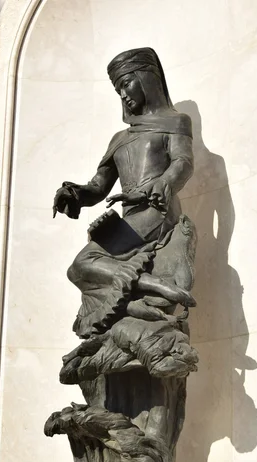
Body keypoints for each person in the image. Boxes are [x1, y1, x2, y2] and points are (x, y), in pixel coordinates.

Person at [53, 47, 195, 339]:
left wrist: (160, 185)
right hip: (129, 220)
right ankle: (148, 289)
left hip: (157, 211)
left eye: (126, 83)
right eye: (118, 89)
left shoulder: (176, 123)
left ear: (146, 79)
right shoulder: (120, 139)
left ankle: (155, 287)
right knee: (75, 271)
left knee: (83, 264)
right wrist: (74, 194)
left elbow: (183, 163)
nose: (123, 94)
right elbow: (98, 186)